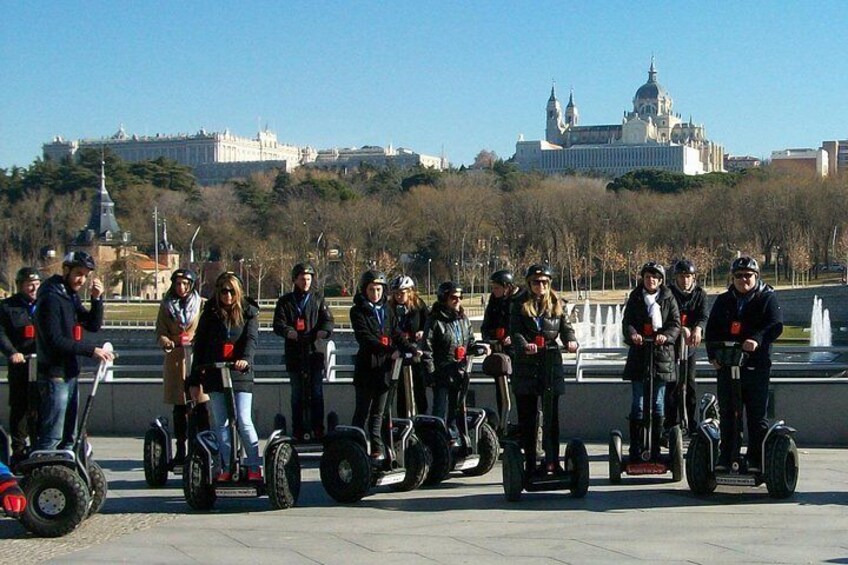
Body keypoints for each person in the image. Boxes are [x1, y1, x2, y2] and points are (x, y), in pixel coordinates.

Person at [706, 256, 783, 472]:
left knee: (756, 416)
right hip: (728, 366)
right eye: (738, 276)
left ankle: (756, 460)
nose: (743, 280)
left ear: (756, 276)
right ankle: (726, 456)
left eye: (748, 275)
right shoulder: (724, 301)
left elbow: (776, 324)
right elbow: (711, 330)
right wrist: (713, 355)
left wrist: (757, 340)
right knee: (729, 413)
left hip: (755, 366)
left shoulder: (767, 298)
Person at [34, 252, 112, 451]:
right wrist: (90, 350)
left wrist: (97, 300)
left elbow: (92, 324)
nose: (82, 280)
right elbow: (55, 341)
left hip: (70, 373)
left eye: (86, 275)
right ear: (66, 270)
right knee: (53, 435)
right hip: (54, 374)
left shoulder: (69, 295)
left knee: (71, 436)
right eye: (79, 273)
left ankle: (67, 474)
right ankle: (43, 471)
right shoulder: (51, 298)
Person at [187, 272, 261, 481]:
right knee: (222, 423)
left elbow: (251, 339)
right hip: (215, 373)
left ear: (237, 292)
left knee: (243, 420)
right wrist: (194, 380)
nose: (227, 296)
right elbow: (199, 346)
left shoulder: (249, 313)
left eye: (231, 291)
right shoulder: (210, 313)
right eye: (223, 291)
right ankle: (227, 466)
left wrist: (245, 359)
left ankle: (254, 466)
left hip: (240, 375)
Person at [510, 264, 578, 475]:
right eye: (536, 282)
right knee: (528, 418)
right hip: (527, 367)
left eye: (544, 282)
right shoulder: (519, 304)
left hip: (550, 363)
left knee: (551, 417)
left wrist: (571, 341)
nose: (540, 286)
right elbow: (515, 332)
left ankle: (552, 462)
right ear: (529, 284)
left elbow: (566, 328)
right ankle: (530, 463)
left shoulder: (556, 303)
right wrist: (524, 346)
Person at [621, 262, 680, 461]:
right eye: (647, 276)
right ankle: (636, 449)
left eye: (655, 277)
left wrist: (666, 336)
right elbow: (627, 321)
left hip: (661, 357)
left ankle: (655, 450)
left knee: (658, 403)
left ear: (661, 280)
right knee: (638, 404)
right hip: (639, 356)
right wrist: (633, 335)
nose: (651, 280)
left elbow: (675, 323)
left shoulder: (668, 298)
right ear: (643, 279)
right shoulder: (636, 297)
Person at [272, 263, 334, 441]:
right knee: (297, 393)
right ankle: (298, 429)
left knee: (316, 392)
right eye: (302, 279)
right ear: (295, 280)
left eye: (308, 279)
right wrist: (288, 332)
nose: (306, 282)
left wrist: (324, 331)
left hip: (314, 352)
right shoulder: (285, 301)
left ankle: (318, 428)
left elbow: (328, 320)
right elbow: (278, 324)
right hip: (295, 352)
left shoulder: (317, 299)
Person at [154, 268, 208, 465]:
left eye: (185, 284)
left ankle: (203, 447)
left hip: (196, 359)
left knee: (201, 405)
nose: (181, 288)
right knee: (180, 408)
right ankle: (181, 448)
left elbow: (209, 328)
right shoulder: (167, 306)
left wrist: (198, 339)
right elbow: (159, 331)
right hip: (176, 360)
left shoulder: (201, 305)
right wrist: (167, 341)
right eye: (178, 284)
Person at [424, 281, 490, 428]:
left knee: (457, 408)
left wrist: (481, 348)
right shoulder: (435, 321)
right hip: (441, 372)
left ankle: (454, 436)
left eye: (460, 297)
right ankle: (438, 437)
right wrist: (430, 374)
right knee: (440, 408)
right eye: (453, 297)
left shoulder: (463, 319)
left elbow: (470, 343)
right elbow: (427, 350)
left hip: (459, 371)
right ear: (444, 298)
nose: (458, 301)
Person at [349, 270, 397, 460]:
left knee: (379, 413)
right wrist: (388, 350)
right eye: (371, 290)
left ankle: (377, 449)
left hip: (384, 370)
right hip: (367, 368)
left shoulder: (387, 310)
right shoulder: (358, 311)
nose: (375, 294)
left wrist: (410, 349)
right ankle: (356, 447)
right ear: (364, 290)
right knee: (362, 412)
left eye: (378, 290)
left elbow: (396, 333)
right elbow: (365, 337)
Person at [0, 267, 41, 466]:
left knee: (41, 406)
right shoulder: (8, 307)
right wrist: (12, 352)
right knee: (20, 407)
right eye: (29, 284)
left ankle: (40, 445)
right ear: (21, 286)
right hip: (21, 363)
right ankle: (19, 449)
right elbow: (1, 334)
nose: (33, 288)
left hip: (42, 364)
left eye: (36, 284)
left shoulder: (45, 304)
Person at [665, 259, 708, 436]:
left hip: (689, 346)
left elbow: (703, 316)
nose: (685, 280)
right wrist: (678, 328)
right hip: (672, 344)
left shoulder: (699, 294)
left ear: (693, 277)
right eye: (682, 276)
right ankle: (671, 424)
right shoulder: (668, 293)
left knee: (689, 384)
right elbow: (665, 315)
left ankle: (691, 423)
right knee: (672, 384)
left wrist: (698, 328)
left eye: (688, 276)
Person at [480, 269, 520, 423]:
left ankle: (520, 422)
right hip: (499, 350)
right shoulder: (494, 301)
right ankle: (503, 420)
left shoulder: (519, 300)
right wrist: (489, 339)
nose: (494, 291)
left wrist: (513, 335)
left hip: (515, 351)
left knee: (519, 387)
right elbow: (487, 324)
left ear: (507, 287)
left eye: (497, 288)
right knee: (501, 388)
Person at [388, 274, 430, 417]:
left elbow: (429, 324)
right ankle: (403, 418)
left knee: (419, 386)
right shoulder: (390, 308)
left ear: (410, 292)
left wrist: (421, 332)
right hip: (399, 353)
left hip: (416, 351)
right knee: (401, 389)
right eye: (396, 294)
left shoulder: (419, 306)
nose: (399, 296)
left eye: (402, 293)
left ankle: (422, 416)